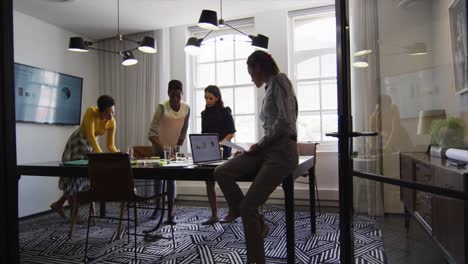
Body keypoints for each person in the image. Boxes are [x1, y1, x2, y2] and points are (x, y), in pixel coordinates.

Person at [214, 50, 298, 264]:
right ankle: (252, 218)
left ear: (258, 67)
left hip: (282, 153)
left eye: (250, 71)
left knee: (248, 207)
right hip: (268, 149)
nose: (250, 76)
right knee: (221, 171)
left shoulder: (280, 81)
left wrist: (259, 145)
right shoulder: (269, 87)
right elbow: (272, 127)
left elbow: (284, 123)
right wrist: (256, 149)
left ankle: (255, 259)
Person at [50, 95, 119, 220]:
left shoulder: (112, 122)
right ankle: (74, 213)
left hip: (91, 146)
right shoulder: (91, 112)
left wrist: (118, 155)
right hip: (78, 141)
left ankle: (59, 204)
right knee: (74, 177)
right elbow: (91, 136)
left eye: (113, 112)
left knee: (84, 178)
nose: (111, 116)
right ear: (100, 111)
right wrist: (101, 156)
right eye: (108, 113)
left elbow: (110, 145)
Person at [148, 80, 190, 225]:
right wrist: (164, 149)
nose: (175, 99)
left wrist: (176, 149)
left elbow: (183, 132)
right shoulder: (162, 107)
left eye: (178, 96)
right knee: (158, 179)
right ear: (168, 94)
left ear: (182, 94)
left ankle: (171, 213)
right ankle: (158, 208)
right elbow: (151, 133)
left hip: (172, 149)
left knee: (171, 179)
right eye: (172, 96)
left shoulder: (186, 108)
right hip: (159, 146)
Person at [200, 85, 236, 225]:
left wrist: (221, 143)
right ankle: (214, 214)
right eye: (206, 98)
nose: (207, 100)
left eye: (210, 98)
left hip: (223, 150)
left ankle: (232, 212)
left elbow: (231, 132)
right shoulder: (204, 114)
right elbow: (204, 134)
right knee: (209, 183)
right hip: (209, 150)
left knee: (225, 182)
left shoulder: (225, 112)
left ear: (217, 98)